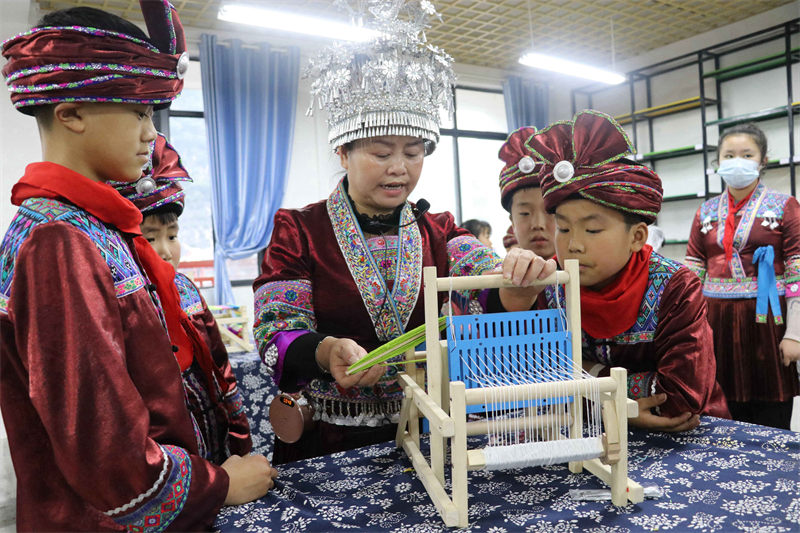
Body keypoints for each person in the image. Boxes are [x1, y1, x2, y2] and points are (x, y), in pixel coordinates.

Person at [0, 4, 276, 530]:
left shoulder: (92, 228)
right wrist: (217, 485)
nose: (153, 134)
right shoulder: (59, 240)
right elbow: (102, 444)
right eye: (140, 111)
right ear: (73, 113)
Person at [253, 1, 554, 464]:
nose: (399, 168)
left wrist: (518, 275)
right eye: (380, 152)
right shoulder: (299, 230)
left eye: (414, 153)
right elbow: (276, 330)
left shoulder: (441, 229)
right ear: (343, 151)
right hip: (331, 439)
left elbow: (489, 282)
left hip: (430, 431)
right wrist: (324, 350)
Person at [528, 110, 730, 432]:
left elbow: (680, 397)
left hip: (685, 438)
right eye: (563, 230)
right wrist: (622, 407)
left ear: (637, 237)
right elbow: (538, 380)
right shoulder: (552, 286)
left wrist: (587, 376)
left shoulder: (674, 288)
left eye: (592, 231)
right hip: (591, 433)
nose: (573, 246)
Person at [114, 133, 253, 463]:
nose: (165, 250)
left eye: (172, 236)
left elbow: (220, 365)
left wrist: (238, 430)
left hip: (208, 427)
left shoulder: (186, 289)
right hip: (159, 444)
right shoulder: (122, 302)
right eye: (149, 238)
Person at [685, 123, 800, 429]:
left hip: (768, 321)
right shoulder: (705, 211)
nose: (738, 161)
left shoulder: (785, 206)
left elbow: (797, 272)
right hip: (715, 322)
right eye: (730, 154)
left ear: (762, 160)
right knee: (721, 405)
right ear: (718, 162)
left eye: (747, 154)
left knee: (771, 409)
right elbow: (693, 272)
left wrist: (795, 333)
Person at [498, 126, 556, 259]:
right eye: (524, 213)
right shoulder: (499, 277)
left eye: (549, 212)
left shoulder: (585, 277)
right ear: (512, 221)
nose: (538, 224)